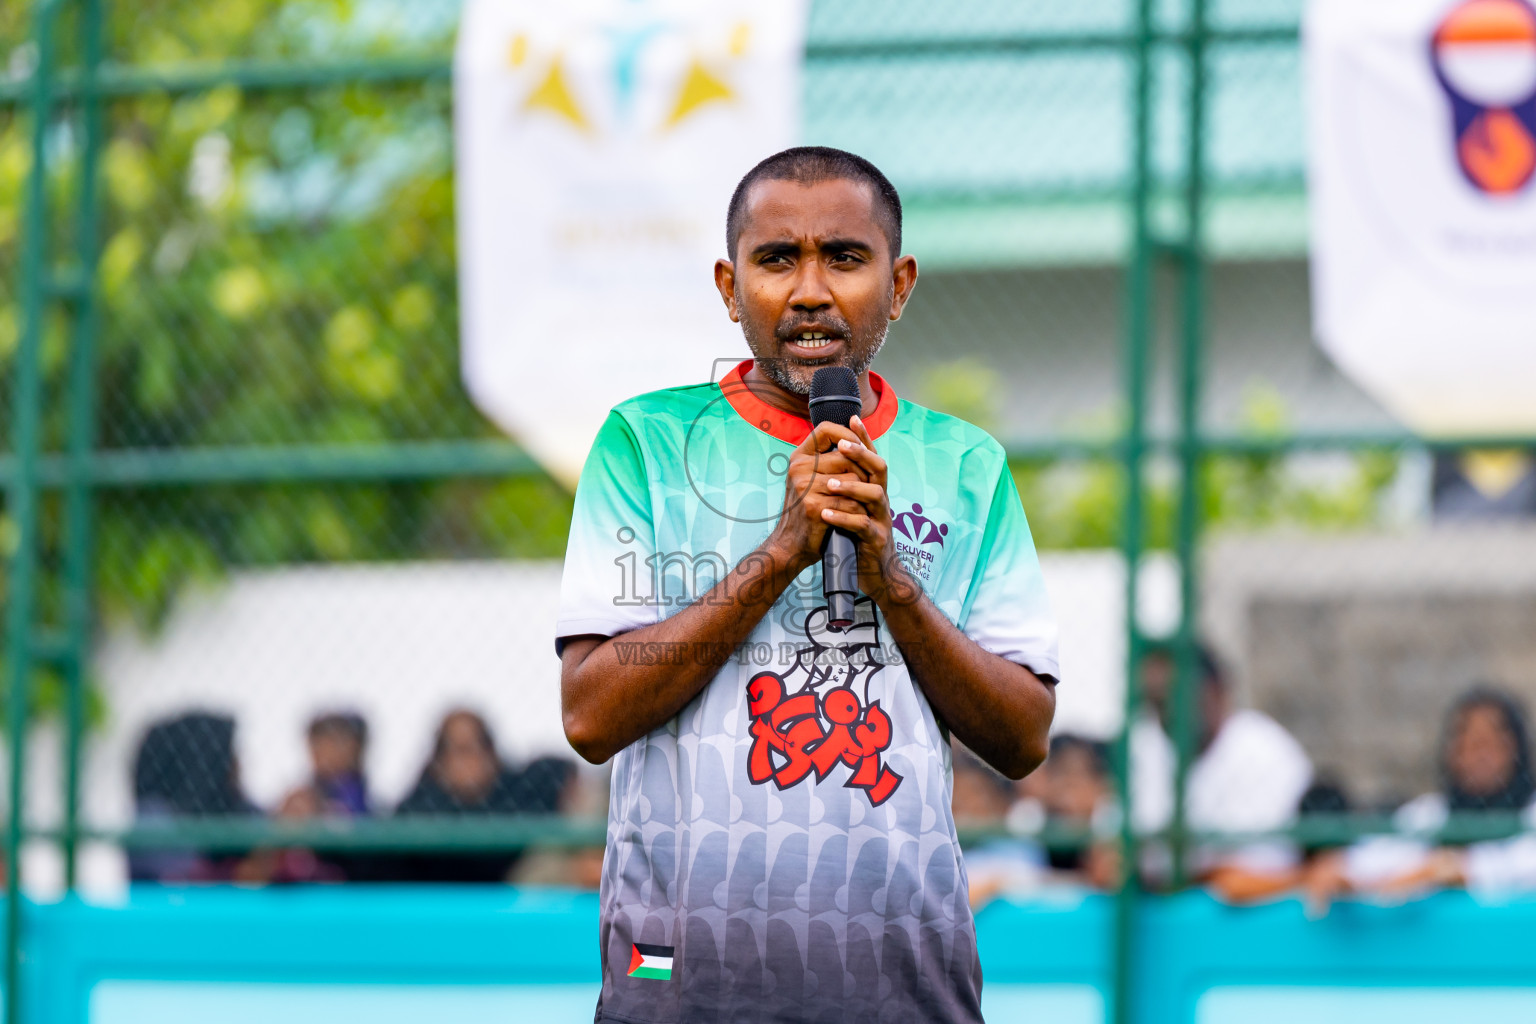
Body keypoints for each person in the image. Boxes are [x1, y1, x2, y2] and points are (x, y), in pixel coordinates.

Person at [557, 147, 1059, 1022]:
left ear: (899, 285)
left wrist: (892, 583)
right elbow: (590, 715)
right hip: (680, 983)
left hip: (899, 982)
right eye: (777, 258)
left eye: (846, 257)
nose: (811, 290)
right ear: (729, 284)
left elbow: (1022, 737)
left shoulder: (966, 464)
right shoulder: (643, 443)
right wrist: (779, 554)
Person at [1306, 686, 1536, 906]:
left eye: (1489, 744)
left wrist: (1449, 869)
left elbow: (1519, 867)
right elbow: (1376, 859)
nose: (1479, 757)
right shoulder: (1431, 813)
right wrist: (1342, 872)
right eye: (1468, 745)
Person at [1130, 642, 1313, 899]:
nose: (1168, 711)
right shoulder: (1144, 746)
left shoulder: (1264, 751)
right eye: (1157, 701)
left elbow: (1246, 877)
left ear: (1216, 690)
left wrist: (1161, 872)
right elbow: (1108, 861)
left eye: (1176, 696)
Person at [392, 710, 574, 882]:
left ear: (490, 753)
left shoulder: (516, 793)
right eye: (456, 750)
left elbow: (561, 771)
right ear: (439, 760)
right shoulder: (421, 805)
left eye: (474, 747)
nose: (466, 762)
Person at [129, 711, 258, 882]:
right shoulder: (154, 817)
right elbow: (177, 879)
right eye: (229, 755)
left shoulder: (232, 806)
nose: (237, 764)